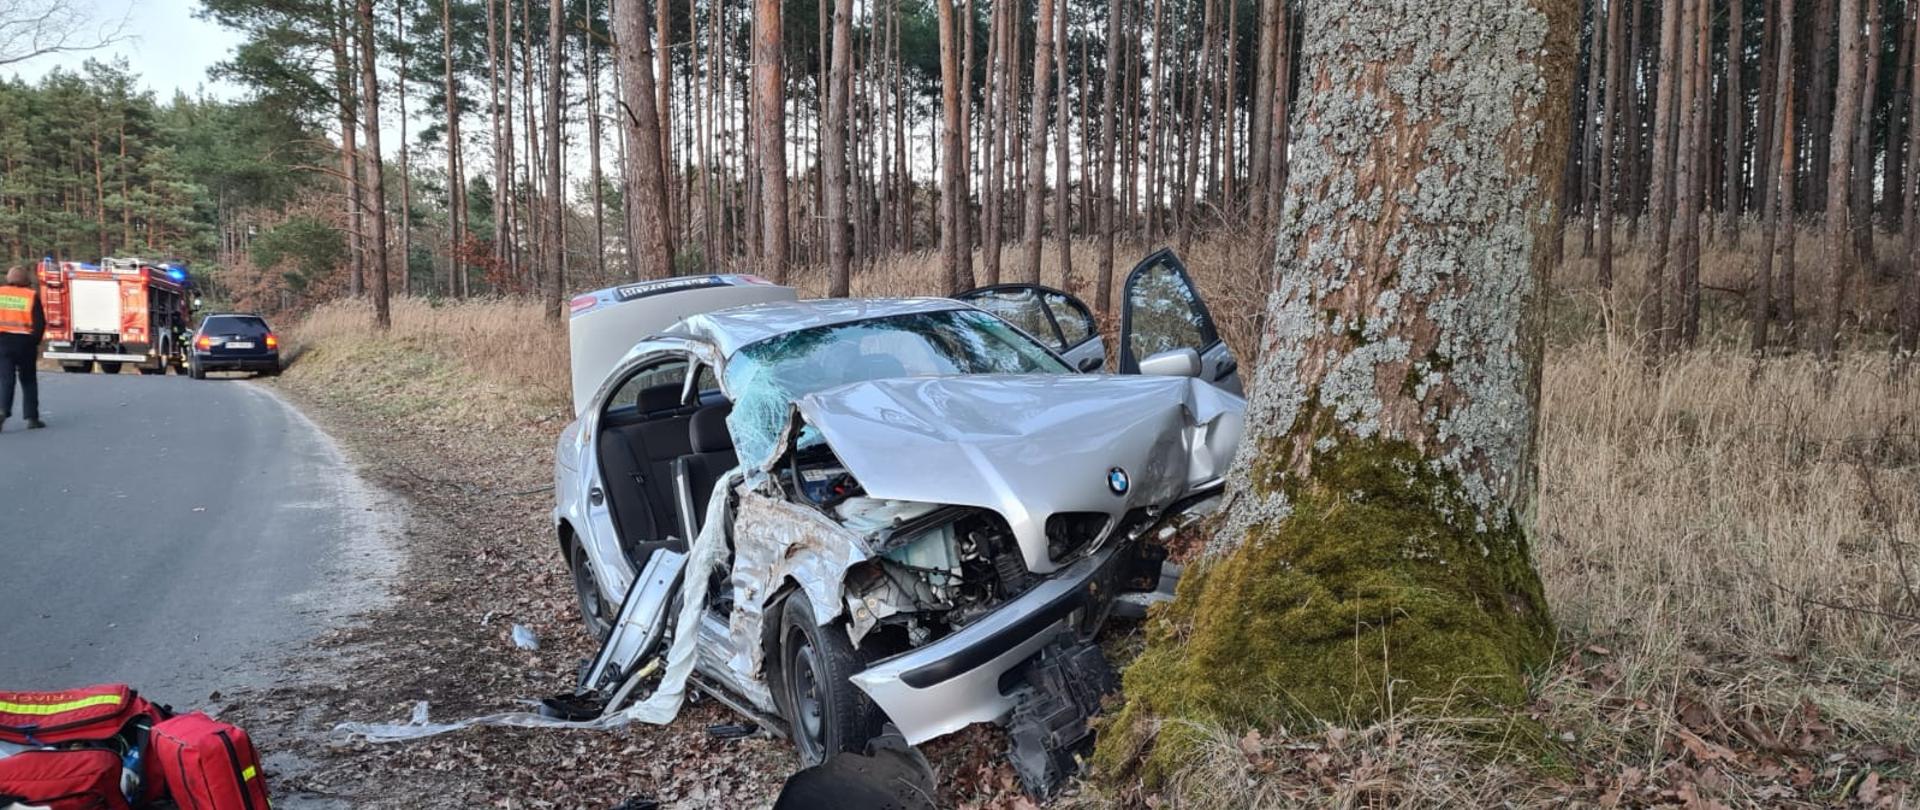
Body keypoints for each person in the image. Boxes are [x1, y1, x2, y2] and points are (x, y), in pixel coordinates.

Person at [0, 265, 46, 432]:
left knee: (5, 379)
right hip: (25, 342)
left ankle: (3, 410)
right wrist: (35, 342)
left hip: (3, 341)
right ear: (26, 281)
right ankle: (32, 417)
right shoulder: (31, 295)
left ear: (8, 278)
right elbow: (40, 323)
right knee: (28, 380)